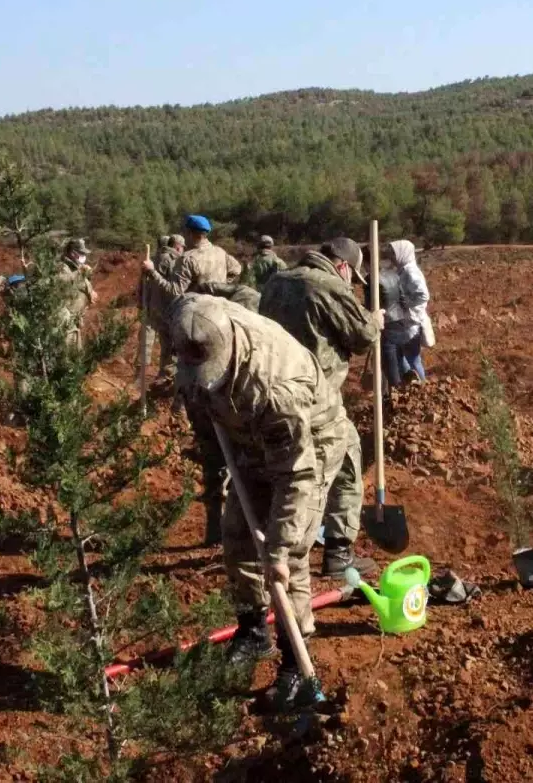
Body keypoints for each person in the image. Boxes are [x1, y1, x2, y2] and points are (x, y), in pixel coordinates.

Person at [170, 293, 345, 710]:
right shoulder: (193, 317)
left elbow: (295, 475)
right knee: (238, 536)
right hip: (247, 437)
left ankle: (293, 663)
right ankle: (253, 631)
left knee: (291, 558)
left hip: (309, 445)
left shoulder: (276, 388)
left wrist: (281, 548)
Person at [260, 237, 385, 578]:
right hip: (317, 399)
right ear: (343, 266)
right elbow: (364, 337)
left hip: (274, 395)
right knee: (346, 464)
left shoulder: (276, 281)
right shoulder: (326, 285)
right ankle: (337, 554)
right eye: (351, 276)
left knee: (284, 471)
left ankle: (274, 545)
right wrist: (375, 320)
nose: (350, 283)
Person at [141, 215, 229, 302]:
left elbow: (175, 291)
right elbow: (237, 269)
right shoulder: (221, 252)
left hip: (197, 306)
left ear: (189, 233)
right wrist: (219, 285)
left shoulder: (187, 258)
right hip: (220, 302)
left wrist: (151, 271)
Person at [380, 239, 431, 388]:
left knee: (413, 359)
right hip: (405, 323)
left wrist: (404, 304)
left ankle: (422, 390)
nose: (393, 257)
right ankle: (411, 389)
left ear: (403, 254)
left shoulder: (410, 271)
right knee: (403, 358)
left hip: (411, 324)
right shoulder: (402, 269)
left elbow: (423, 295)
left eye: (395, 254)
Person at [139, 234, 185, 388]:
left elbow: (142, 284)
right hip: (167, 308)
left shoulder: (152, 260)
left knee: (147, 339)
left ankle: (141, 373)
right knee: (169, 345)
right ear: (177, 246)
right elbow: (174, 287)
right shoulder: (173, 261)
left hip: (152, 305)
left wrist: (141, 302)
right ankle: (166, 376)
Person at [56, 238, 98, 351]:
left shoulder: (78, 267)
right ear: (73, 253)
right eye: (81, 253)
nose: (83, 256)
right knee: (66, 354)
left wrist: (91, 292)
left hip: (76, 320)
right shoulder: (62, 267)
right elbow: (62, 282)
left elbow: (84, 286)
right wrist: (80, 273)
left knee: (75, 354)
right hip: (65, 319)